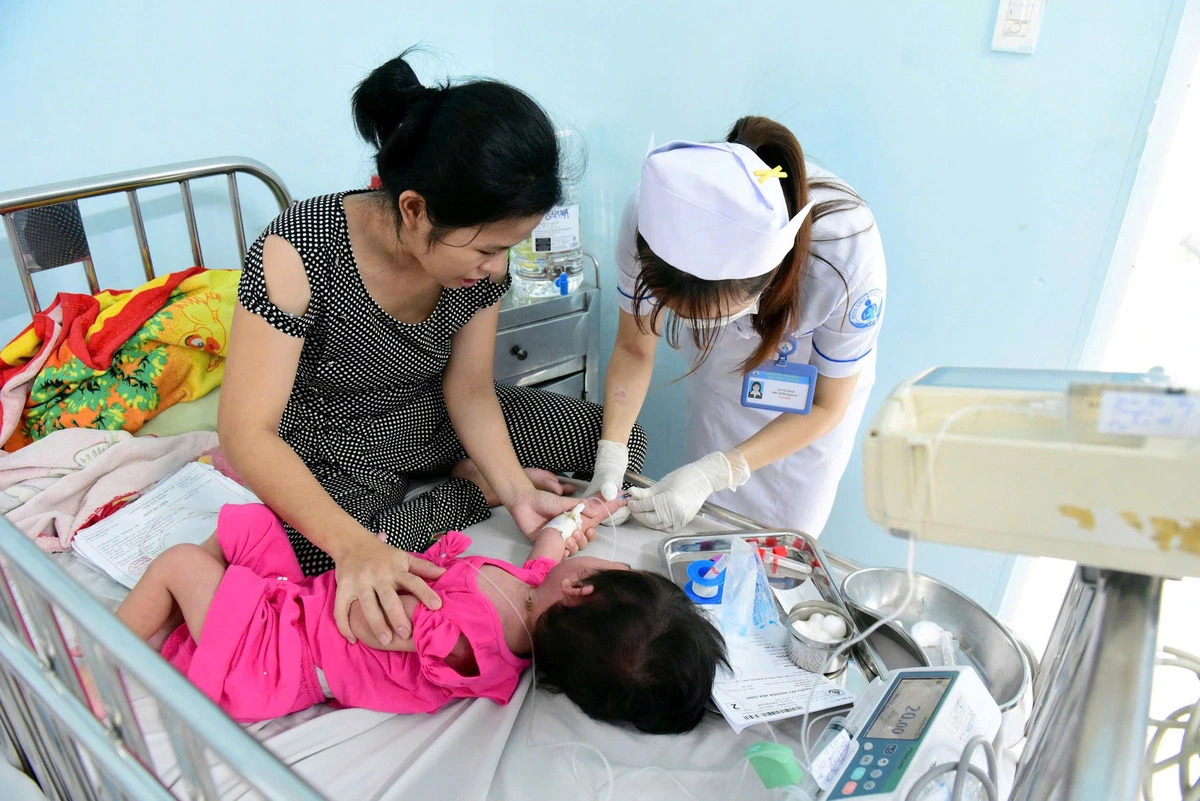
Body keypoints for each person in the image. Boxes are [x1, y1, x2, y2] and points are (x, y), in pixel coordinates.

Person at [219, 52, 646, 648]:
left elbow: (468, 388)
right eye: (486, 250)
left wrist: (522, 499)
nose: (498, 269)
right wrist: (354, 546)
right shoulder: (298, 249)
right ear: (415, 209)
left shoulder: (480, 272)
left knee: (611, 441)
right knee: (316, 557)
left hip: (427, 415)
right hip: (334, 438)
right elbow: (245, 430)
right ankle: (467, 487)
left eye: (510, 248)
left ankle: (473, 474)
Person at [114, 499, 727, 734]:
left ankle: (99, 651)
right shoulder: (535, 607)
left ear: (581, 592)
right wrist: (566, 525)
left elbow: (361, 623)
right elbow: (543, 558)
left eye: (610, 569)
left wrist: (392, 572)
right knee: (252, 525)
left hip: (284, 656)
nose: (596, 559)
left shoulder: (469, 641)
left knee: (181, 564)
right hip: (298, 604)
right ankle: (194, 619)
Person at [584, 117, 885, 535]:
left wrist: (720, 470)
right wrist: (611, 454)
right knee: (705, 532)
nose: (690, 324)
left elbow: (827, 404)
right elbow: (635, 347)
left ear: (770, 278)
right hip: (721, 391)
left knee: (781, 550)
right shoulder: (652, 217)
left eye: (713, 316)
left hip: (808, 415)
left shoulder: (845, 250)